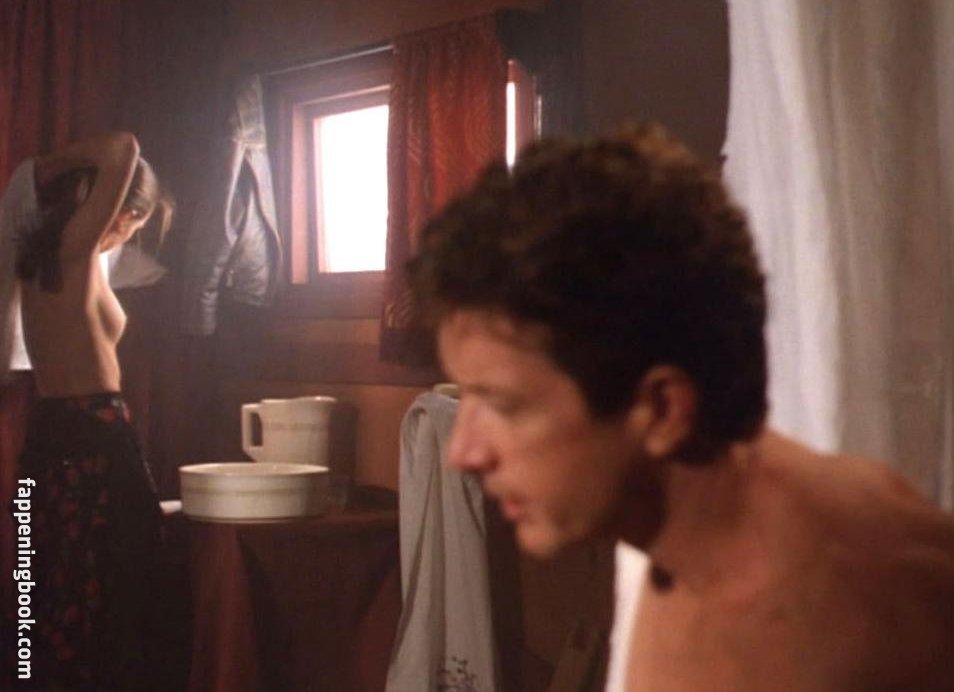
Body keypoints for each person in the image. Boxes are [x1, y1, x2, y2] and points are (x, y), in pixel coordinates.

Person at [407, 123, 954, 691]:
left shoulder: (790, 639)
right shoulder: (711, 529)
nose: (462, 453)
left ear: (663, 410)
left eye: (503, 405)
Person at [4, 131, 172, 690]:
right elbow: (125, 146)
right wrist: (47, 166)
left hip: (56, 431)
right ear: (119, 212)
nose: (129, 236)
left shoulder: (57, 259)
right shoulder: (71, 251)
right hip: (92, 433)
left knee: (55, 579)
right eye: (134, 223)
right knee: (107, 579)